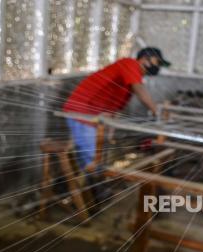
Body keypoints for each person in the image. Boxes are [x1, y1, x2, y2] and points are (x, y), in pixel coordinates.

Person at [63, 47, 171, 199]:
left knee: (94, 158)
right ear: (145, 58)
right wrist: (156, 111)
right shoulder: (129, 64)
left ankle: (90, 193)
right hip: (81, 112)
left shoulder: (130, 79)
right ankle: (83, 196)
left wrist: (110, 125)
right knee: (93, 159)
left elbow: (115, 104)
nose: (158, 66)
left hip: (92, 116)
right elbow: (140, 90)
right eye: (157, 61)